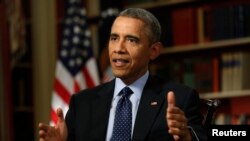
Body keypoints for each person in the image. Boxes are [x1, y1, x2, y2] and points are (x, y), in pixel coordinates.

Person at [38, 8, 207, 141]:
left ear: (154, 51)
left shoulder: (181, 99)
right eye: (114, 38)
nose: (119, 48)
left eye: (131, 40)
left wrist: (186, 137)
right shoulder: (82, 103)